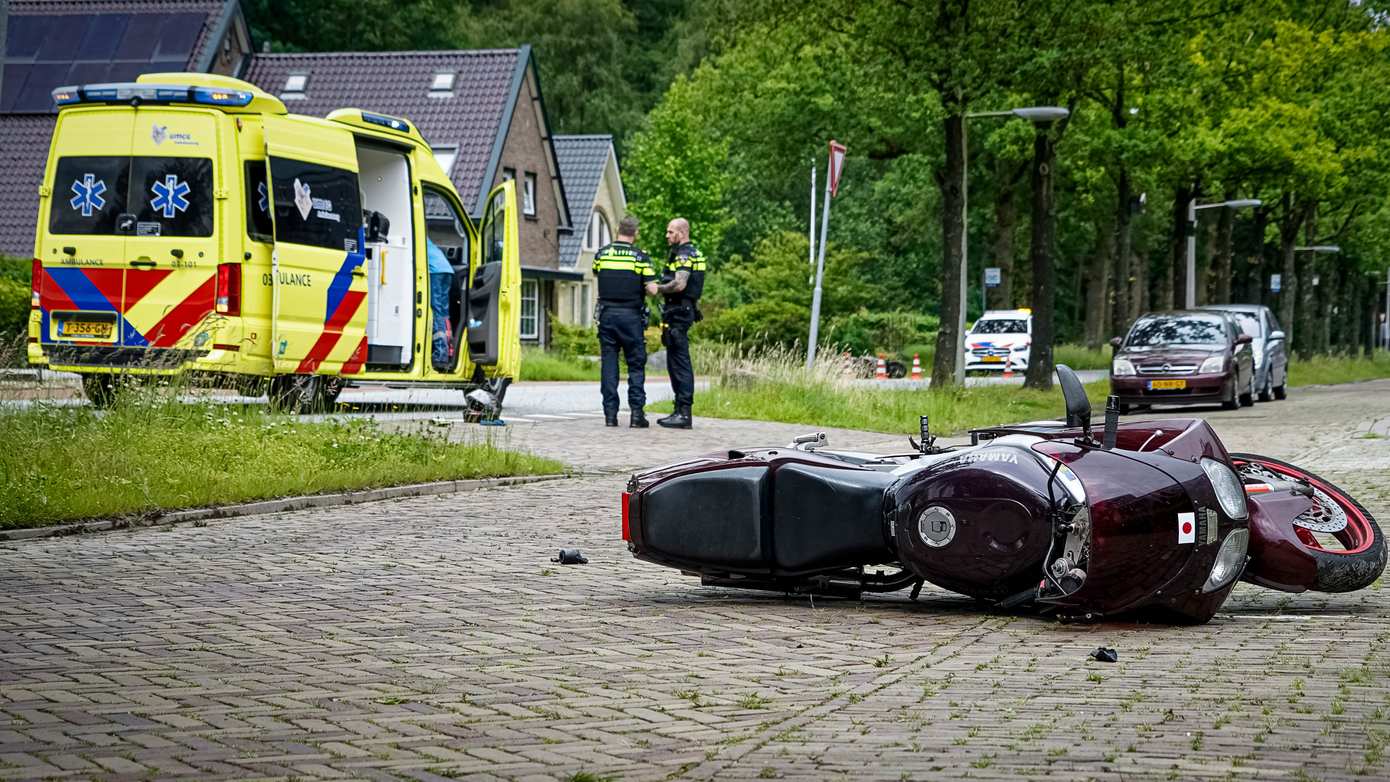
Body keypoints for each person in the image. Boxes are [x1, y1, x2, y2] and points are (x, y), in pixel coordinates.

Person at [593, 215, 658, 427]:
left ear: (617, 230)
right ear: (635, 233)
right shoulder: (640, 257)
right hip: (631, 317)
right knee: (636, 365)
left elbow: (597, 273)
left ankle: (610, 415)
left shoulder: (602, 254)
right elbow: (652, 289)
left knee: (609, 365)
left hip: (607, 316)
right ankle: (637, 415)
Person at [655, 217, 706, 429]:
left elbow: (679, 284)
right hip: (679, 312)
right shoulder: (692, 252)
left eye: (670, 232)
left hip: (679, 312)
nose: (667, 236)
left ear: (681, 233)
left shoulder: (685, 254)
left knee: (680, 363)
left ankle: (684, 413)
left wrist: (657, 288)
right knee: (674, 362)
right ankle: (679, 410)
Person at [426, 236, 454, 371]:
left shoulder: (415, 235)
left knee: (436, 310)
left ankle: (440, 355)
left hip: (435, 272)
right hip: (447, 270)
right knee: (444, 313)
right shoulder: (428, 240)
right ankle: (449, 351)